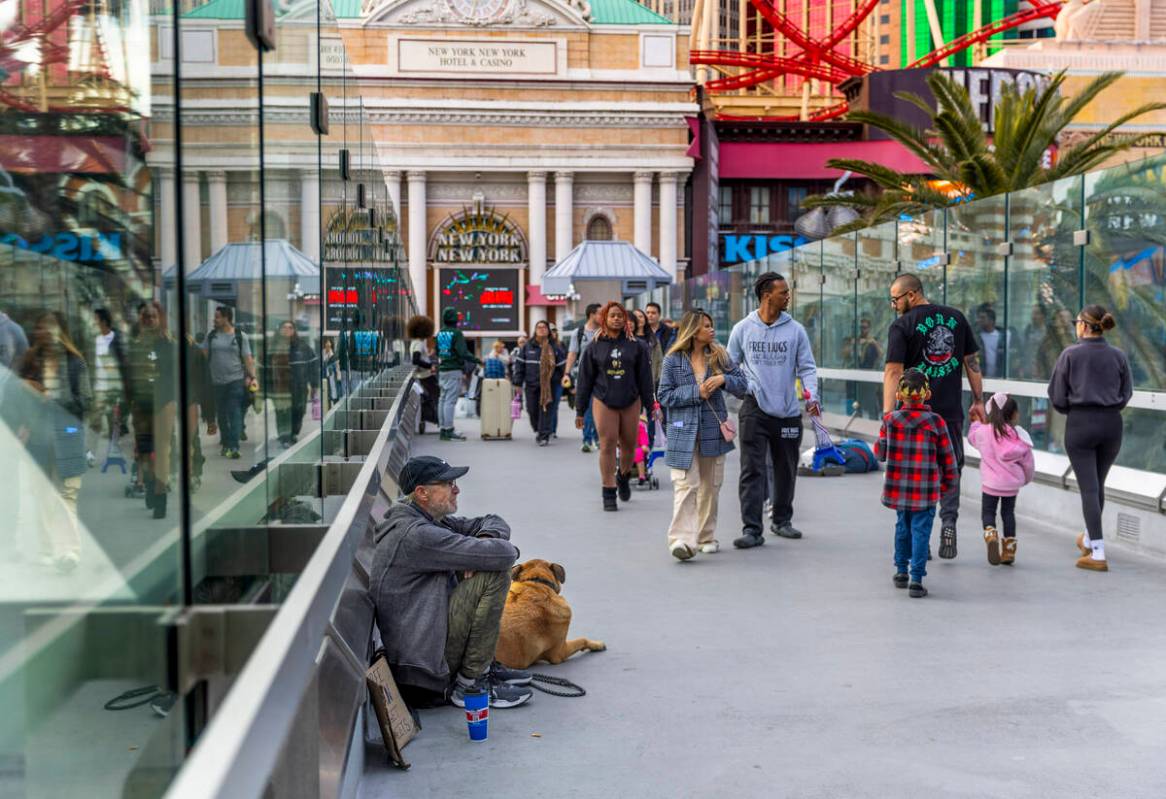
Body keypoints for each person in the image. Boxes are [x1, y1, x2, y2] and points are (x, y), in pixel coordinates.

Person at [370, 455, 532, 709]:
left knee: (482, 562)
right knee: (494, 574)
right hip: (424, 673)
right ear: (422, 493)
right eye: (447, 484)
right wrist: (480, 553)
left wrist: (484, 539)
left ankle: (482, 667)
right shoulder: (417, 534)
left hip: (423, 652)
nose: (456, 489)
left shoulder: (427, 519)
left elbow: (491, 520)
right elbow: (505, 555)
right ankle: (469, 683)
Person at [883, 273, 986, 560]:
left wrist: (888, 414)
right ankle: (949, 523)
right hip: (950, 412)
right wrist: (979, 401)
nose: (894, 305)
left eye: (895, 299)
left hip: (913, 416)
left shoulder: (902, 325)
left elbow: (893, 371)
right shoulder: (956, 317)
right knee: (950, 469)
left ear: (911, 295)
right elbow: (972, 363)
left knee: (915, 473)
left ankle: (920, 541)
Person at [727, 272, 820, 549]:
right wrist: (743, 389)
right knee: (752, 470)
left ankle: (781, 520)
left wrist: (812, 395)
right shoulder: (743, 328)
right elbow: (730, 366)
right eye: (783, 292)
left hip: (788, 411)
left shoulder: (796, 331)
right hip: (754, 409)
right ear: (767, 295)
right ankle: (752, 529)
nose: (788, 296)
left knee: (785, 469)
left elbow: (807, 367)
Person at [1047, 305, 1132, 572]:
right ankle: (1087, 537)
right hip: (1111, 424)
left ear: (1084, 325)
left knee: (1089, 488)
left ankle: (1097, 552)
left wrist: (1072, 410)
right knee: (1098, 485)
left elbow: (1057, 396)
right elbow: (1126, 393)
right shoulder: (1119, 356)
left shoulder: (1070, 354)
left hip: (1081, 424)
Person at [4, 312, 92, 572]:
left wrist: (48, 397)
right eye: (40, 328)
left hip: (67, 434)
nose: (43, 333)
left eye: (48, 328)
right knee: (42, 495)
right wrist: (23, 403)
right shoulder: (29, 362)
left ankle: (69, 551)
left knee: (67, 494)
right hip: (38, 437)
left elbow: (83, 403)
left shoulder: (75, 363)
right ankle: (49, 549)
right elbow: (11, 396)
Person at [658, 310, 748, 560]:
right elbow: (664, 396)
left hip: (713, 431)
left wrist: (723, 379)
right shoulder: (673, 360)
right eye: (706, 326)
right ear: (693, 330)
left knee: (710, 487)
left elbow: (743, 386)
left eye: (711, 325)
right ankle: (681, 541)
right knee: (686, 486)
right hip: (682, 432)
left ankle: (706, 536)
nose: (711, 330)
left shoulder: (719, 355)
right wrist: (696, 392)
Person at [876, 369, 957, 598]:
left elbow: (880, 453)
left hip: (899, 488)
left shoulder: (890, 420)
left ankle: (901, 571)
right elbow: (948, 457)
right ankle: (916, 579)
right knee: (921, 531)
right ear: (927, 394)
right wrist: (949, 483)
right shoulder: (936, 422)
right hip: (926, 490)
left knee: (902, 527)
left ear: (899, 396)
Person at [574, 302, 656, 511]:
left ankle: (623, 475)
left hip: (631, 400)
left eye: (620, 315)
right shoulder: (593, 346)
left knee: (629, 445)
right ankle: (608, 490)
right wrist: (580, 410)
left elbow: (645, 379)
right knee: (608, 443)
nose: (617, 319)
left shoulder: (637, 346)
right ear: (604, 319)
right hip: (603, 400)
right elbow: (584, 380)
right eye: (612, 316)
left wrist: (651, 405)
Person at [968, 392, 1034, 566]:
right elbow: (1028, 463)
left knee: (988, 513)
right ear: (1012, 414)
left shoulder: (983, 432)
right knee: (1008, 514)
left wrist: (976, 421)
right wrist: (1026, 479)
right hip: (1010, 485)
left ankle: (991, 535)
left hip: (990, 484)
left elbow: (972, 437)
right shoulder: (1018, 436)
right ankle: (1009, 550)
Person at [129, 302, 178, 518]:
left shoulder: (167, 345)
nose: (149, 320)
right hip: (141, 406)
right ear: (140, 319)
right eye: (145, 317)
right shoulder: (135, 345)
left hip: (163, 403)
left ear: (160, 319)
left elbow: (174, 376)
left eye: (153, 316)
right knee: (145, 453)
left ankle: (161, 498)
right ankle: (150, 484)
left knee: (162, 452)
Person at [203, 306, 256, 460]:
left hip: (236, 381)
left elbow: (248, 358)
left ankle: (233, 446)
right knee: (221, 415)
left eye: (218, 317)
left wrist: (252, 377)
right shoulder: (211, 336)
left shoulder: (240, 336)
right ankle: (226, 443)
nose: (215, 320)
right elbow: (203, 356)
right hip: (216, 383)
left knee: (234, 412)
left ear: (226, 318)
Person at [511, 320, 566, 446]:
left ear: (548, 331)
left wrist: (568, 383)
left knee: (546, 411)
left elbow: (563, 367)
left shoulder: (555, 347)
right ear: (535, 330)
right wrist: (517, 383)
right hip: (531, 385)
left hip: (549, 386)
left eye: (544, 327)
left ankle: (543, 435)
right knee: (532, 410)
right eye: (539, 327)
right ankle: (538, 429)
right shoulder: (527, 347)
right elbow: (519, 366)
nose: (541, 329)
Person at [87, 308, 129, 468]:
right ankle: (90, 453)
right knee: (94, 422)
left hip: (113, 387)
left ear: (103, 322)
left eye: (96, 320)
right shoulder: (93, 340)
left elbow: (124, 362)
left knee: (113, 422)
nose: (93, 323)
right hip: (98, 387)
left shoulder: (116, 338)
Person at [436, 307, 479, 442]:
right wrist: (478, 360)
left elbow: (438, 352)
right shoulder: (456, 333)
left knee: (442, 399)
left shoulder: (440, 333)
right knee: (450, 401)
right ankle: (449, 429)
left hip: (443, 370)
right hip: (454, 370)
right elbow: (463, 353)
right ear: (454, 319)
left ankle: (443, 429)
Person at [270, 321, 316, 448]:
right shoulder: (273, 347)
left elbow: (313, 366)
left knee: (299, 411)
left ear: (294, 330)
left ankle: (293, 432)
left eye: (290, 328)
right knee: (282, 412)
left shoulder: (303, 347)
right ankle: (284, 436)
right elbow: (266, 368)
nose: (287, 330)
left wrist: (314, 385)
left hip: (299, 387)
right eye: (284, 327)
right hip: (281, 387)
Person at [564, 303, 601, 453]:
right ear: (592, 314)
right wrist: (566, 374)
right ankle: (587, 440)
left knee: (598, 409)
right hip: (584, 378)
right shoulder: (578, 333)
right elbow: (572, 354)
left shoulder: (605, 331)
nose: (603, 316)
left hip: (602, 378)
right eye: (600, 313)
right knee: (586, 409)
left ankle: (597, 439)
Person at [406, 316, 438, 433]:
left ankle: (425, 420)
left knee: (425, 400)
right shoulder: (419, 343)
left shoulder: (414, 342)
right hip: (425, 376)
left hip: (419, 376)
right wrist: (430, 366)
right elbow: (416, 360)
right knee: (435, 397)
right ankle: (435, 419)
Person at [855, 317, 883, 419]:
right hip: (858, 376)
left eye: (865, 327)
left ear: (869, 328)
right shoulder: (857, 341)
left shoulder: (873, 342)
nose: (863, 330)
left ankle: (874, 421)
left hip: (870, 375)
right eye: (861, 327)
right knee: (859, 403)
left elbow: (881, 354)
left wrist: (873, 343)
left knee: (871, 402)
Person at [974, 303, 1009, 378]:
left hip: (999, 379)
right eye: (979, 317)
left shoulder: (1003, 336)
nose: (979, 320)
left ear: (991, 320)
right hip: (981, 377)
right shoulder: (976, 336)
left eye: (983, 318)